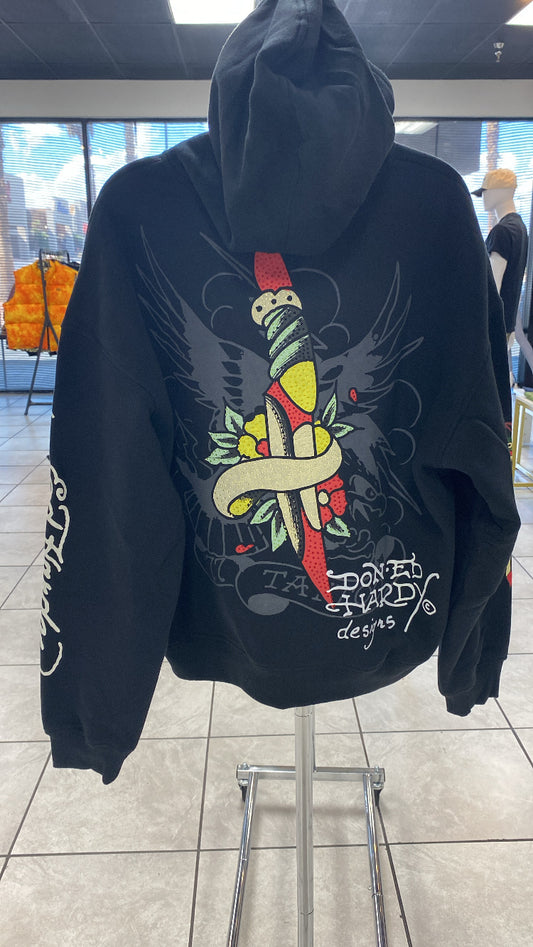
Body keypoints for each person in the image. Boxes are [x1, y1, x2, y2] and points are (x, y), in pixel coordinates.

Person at [40, 0, 519, 784]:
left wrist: (93, 713)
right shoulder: (436, 205)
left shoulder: (138, 206)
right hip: (390, 611)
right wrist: (469, 658)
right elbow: (478, 440)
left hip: (224, 621)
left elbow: (107, 477)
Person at [472, 168, 528, 340]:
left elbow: (492, 286)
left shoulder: (502, 231)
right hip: (507, 324)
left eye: (486, 192)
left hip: (493, 328)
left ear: (501, 192)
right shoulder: (520, 227)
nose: (483, 197)